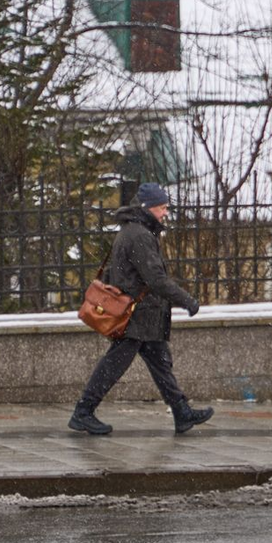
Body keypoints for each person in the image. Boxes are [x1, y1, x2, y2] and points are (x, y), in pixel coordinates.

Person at [69, 183, 215, 437]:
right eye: (162, 208)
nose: (165, 213)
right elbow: (155, 279)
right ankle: (83, 412)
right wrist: (187, 300)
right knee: (114, 364)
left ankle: (181, 412)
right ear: (147, 208)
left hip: (144, 315)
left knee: (161, 364)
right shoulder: (139, 235)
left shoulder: (136, 230)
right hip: (135, 316)